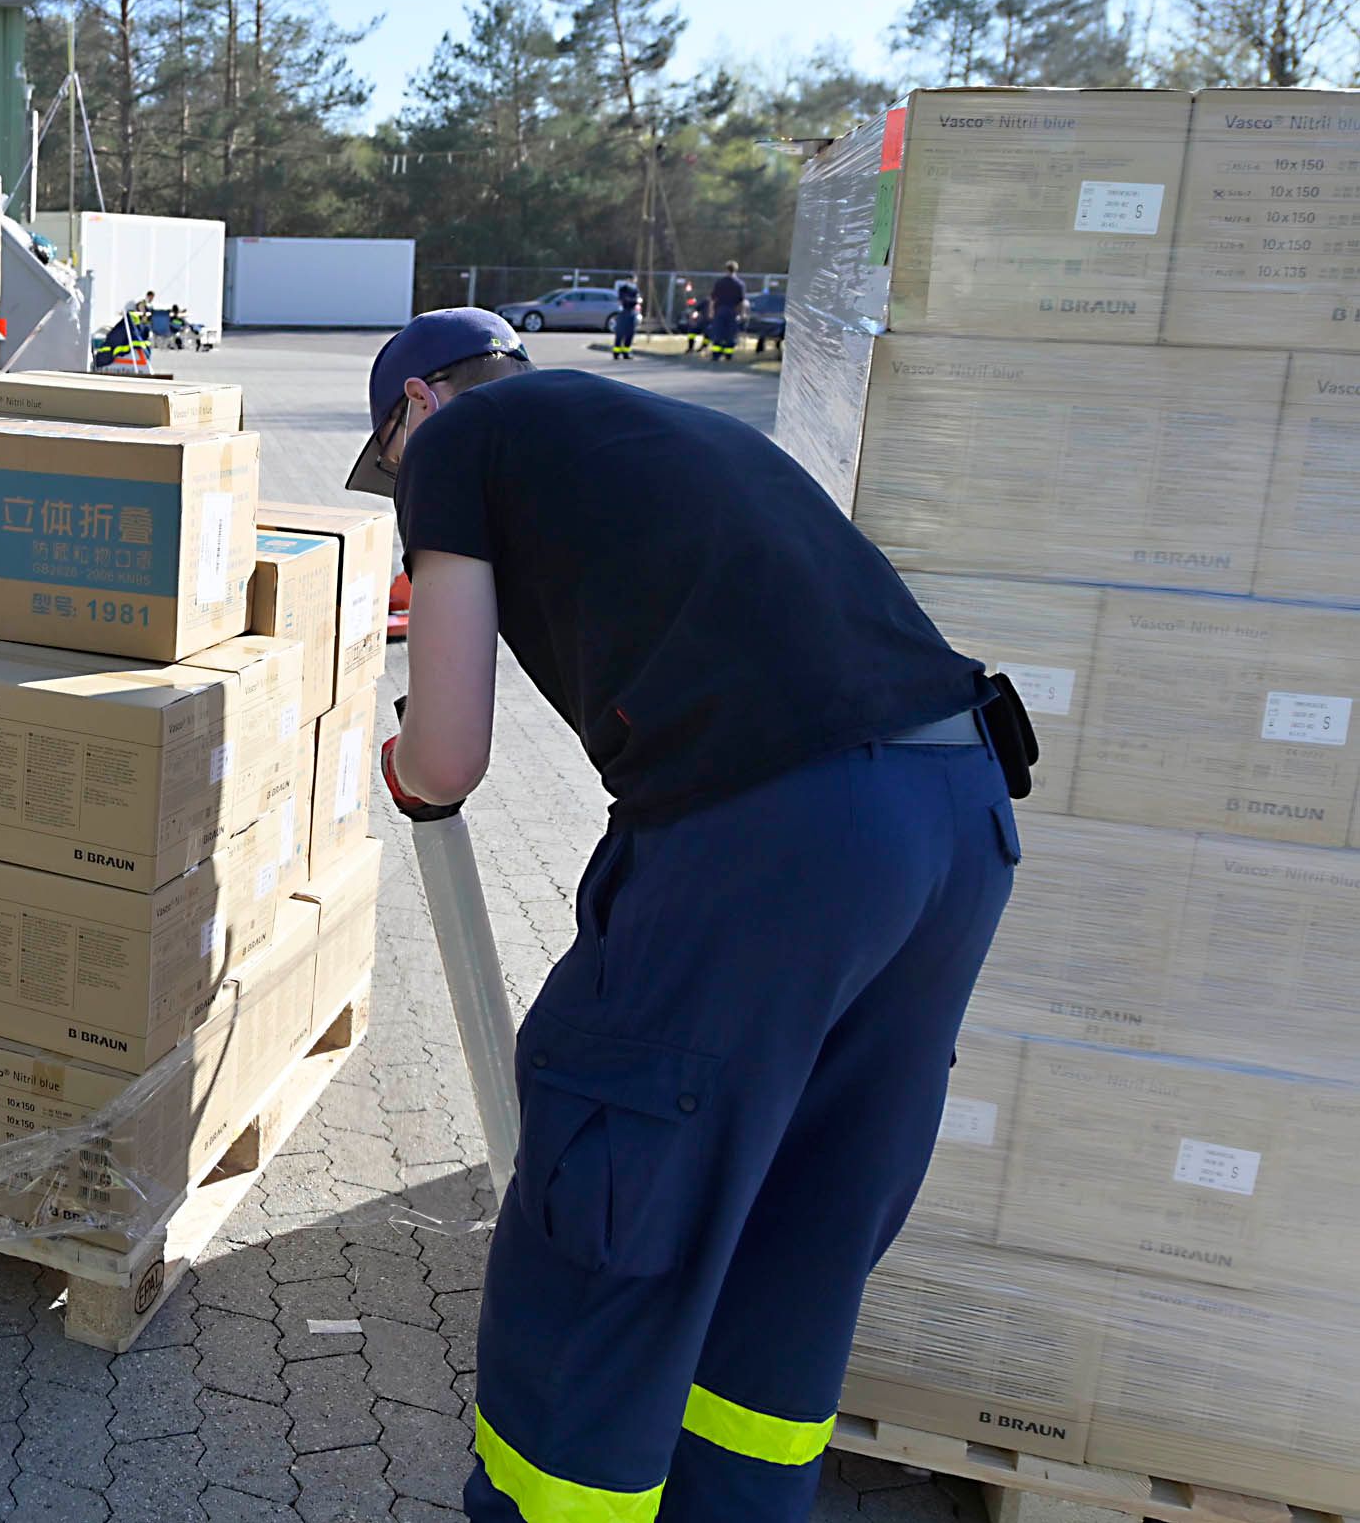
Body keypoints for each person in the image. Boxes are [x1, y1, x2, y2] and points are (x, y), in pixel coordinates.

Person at [348, 308, 1028, 1523]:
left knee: (613, 1221)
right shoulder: (667, 424)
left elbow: (446, 755)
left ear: (416, 406)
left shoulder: (460, 440)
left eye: (389, 457)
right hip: (956, 814)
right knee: (792, 1238)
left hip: (777, 843)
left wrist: (398, 762)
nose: (403, 482)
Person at [709, 262, 747, 361]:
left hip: (720, 311)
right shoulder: (739, 284)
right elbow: (742, 301)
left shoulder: (720, 282)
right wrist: (742, 313)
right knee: (730, 334)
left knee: (718, 333)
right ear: (736, 270)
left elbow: (713, 299)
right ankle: (728, 355)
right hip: (732, 311)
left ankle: (715, 355)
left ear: (726, 269)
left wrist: (711, 311)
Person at [611, 280, 640, 361]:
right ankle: (616, 352)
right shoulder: (623, 289)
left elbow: (637, 300)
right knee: (620, 333)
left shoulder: (635, 290)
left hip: (631, 313)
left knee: (630, 333)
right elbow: (623, 300)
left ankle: (626, 353)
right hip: (623, 313)